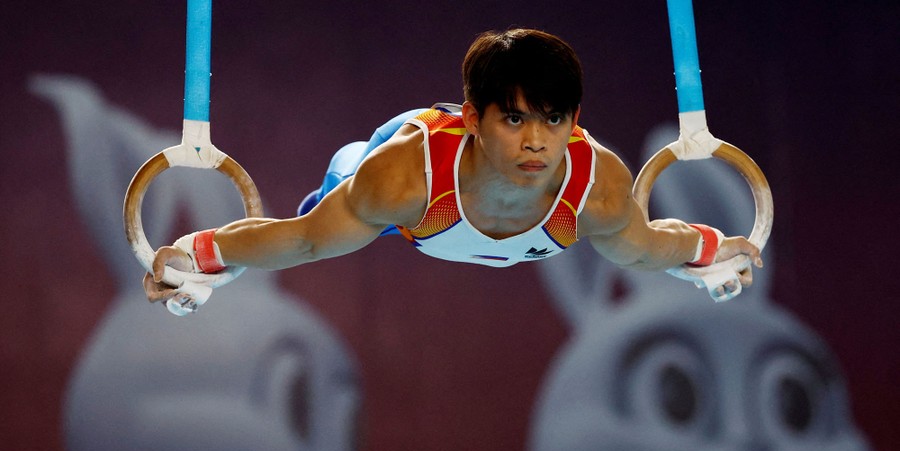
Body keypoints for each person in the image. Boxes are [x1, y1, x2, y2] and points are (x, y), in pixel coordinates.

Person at [144, 28, 763, 311]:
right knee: (327, 211)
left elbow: (647, 248)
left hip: (441, 217)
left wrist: (707, 249)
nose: (537, 143)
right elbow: (301, 241)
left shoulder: (594, 186)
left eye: (553, 121)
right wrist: (200, 253)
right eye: (514, 120)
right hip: (414, 194)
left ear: (576, 120)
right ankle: (349, 169)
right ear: (473, 117)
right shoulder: (405, 178)